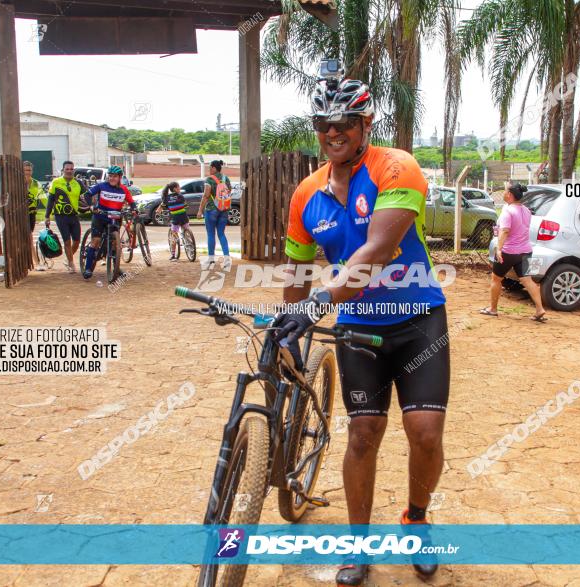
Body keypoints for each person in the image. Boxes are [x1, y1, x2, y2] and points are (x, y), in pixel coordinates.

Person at [273, 68, 448, 586]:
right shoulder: (307, 193)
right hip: (357, 328)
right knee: (363, 434)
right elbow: (297, 268)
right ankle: (358, 545)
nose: (334, 131)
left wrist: (318, 302)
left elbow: (375, 253)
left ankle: (416, 518)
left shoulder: (397, 168)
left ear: (365, 122)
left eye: (345, 121)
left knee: (425, 432)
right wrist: (292, 323)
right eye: (324, 122)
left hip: (417, 321)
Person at [480, 180, 547, 322]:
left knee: (496, 278)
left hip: (509, 251)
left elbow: (504, 231)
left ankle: (493, 309)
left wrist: (499, 249)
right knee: (528, 280)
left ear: (509, 195)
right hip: (525, 250)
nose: (503, 193)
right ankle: (540, 309)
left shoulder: (508, 212)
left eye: (505, 191)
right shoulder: (526, 210)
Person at [82, 165, 137, 282]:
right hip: (100, 217)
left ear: (120, 177)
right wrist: (92, 206)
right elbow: (87, 195)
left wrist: (134, 209)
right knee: (95, 242)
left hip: (115, 217)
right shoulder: (101, 186)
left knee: (114, 243)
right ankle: (87, 268)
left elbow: (131, 202)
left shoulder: (124, 189)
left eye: (115, 176)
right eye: (110, 176)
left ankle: (115, 268)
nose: (112, 178)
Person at [45, 161, 87, 273]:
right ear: (63, 170)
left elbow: (87, 195)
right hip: (60, 216)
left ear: (74, 170)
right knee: (67, 241)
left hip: (74, 215)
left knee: (77, 241)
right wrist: (47, 216)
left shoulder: (78, 183)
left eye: (71, 169)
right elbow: (51, 199)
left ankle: (68, 258)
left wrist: (92, 204)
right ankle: (71, 263)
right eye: (67, 169)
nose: (69, 171)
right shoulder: (56, 182)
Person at [197, 160, 232, 270]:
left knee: (211, 234)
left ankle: (211, 259)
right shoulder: (226, 178)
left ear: (214, 168)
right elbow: (229, 191)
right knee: (221, 233)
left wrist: (200, 210)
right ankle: (227, 259)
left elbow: (206, 195)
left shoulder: (209, 179)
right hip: (224, 209)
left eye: (209, 168)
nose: (209, 170)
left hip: (212, 209)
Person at [155, 182, 188, 261]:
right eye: (179, 188)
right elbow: (186, 205)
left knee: (173, 236)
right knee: (185, 229)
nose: (180, 189)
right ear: (175, 189)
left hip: (175, 219)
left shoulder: (166, 198)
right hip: (184, 218)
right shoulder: (181, 196)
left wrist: (158, 212)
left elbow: (159, 209)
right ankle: (187, 240)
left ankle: (173, 255)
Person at [24, 161, 44, 270]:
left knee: (29, 236)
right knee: (29, 237)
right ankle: (36, 261)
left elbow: (43, 199)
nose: (28, 172)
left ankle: (33, 261)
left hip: (31, 213)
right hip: (20, 215)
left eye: (29, 170)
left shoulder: (36, 183)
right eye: (26, 170)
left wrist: (50, 212)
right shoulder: (17, 183)